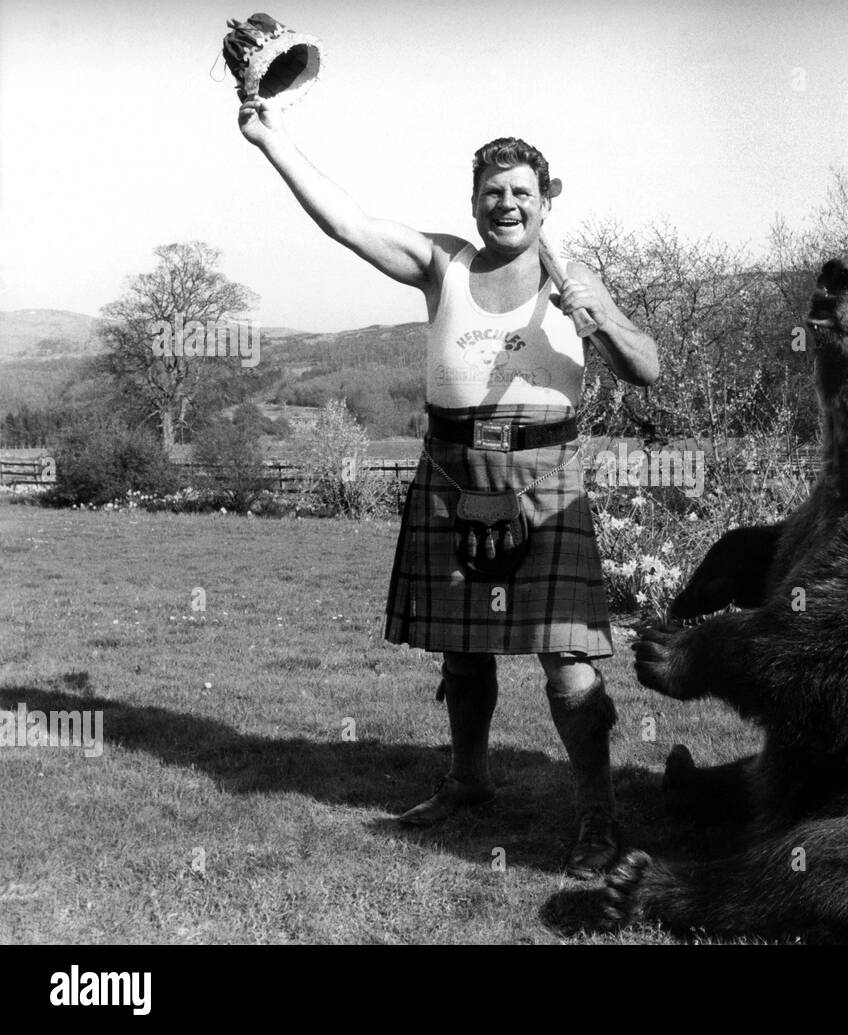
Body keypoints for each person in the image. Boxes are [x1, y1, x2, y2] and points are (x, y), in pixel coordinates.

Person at [238, 102, 659, 878]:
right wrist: (270, 137)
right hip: (452, 473)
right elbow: (348, 224)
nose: (507, 204)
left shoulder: (579, 282)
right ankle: (470, 781)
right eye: (493, 192)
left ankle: (597, 814)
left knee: (568, 664)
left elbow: (647, 366)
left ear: (546, 201)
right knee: (463, 655)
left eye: (522, 193)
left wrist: (597, 320)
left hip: (545, 479)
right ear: (474, 202)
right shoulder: (444, 265)